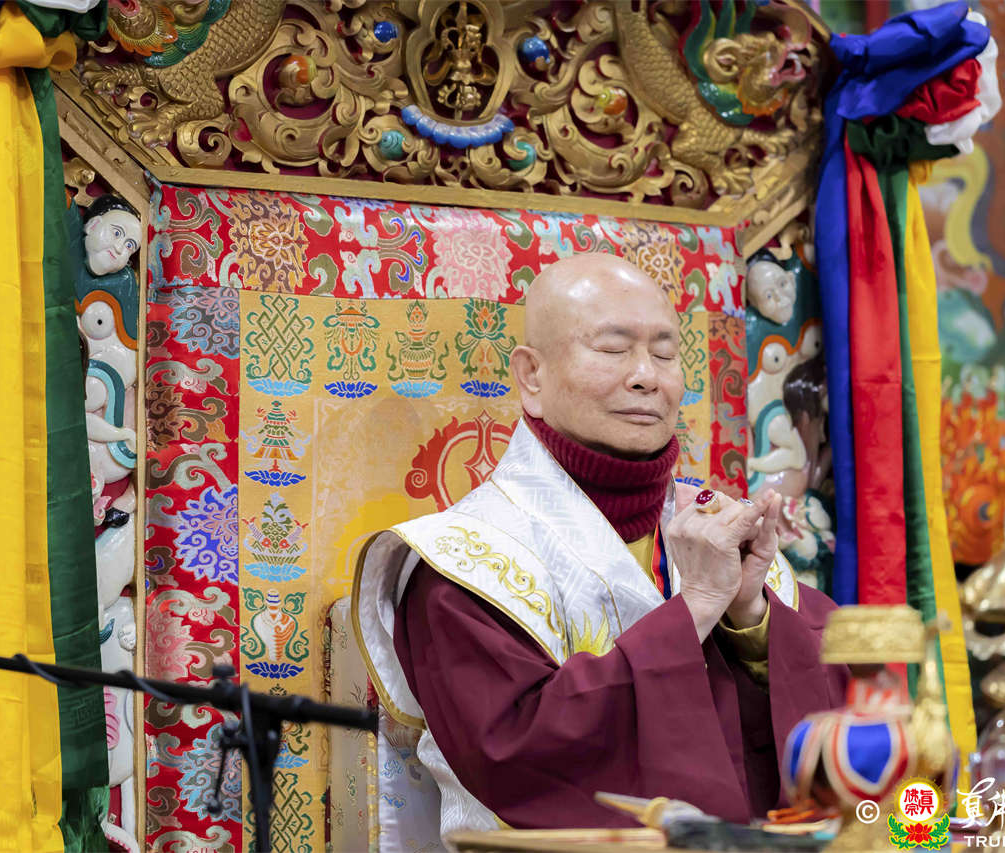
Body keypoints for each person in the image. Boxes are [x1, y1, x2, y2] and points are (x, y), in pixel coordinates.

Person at [355, 253, 848, 844]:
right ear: (532, 377)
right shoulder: (465, 561)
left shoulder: (715, 530)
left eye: (665, 354)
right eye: (613, 349)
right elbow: (519, 761)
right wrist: (693, 610)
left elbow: (846, 713)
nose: (646, 377)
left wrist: (748, 617)